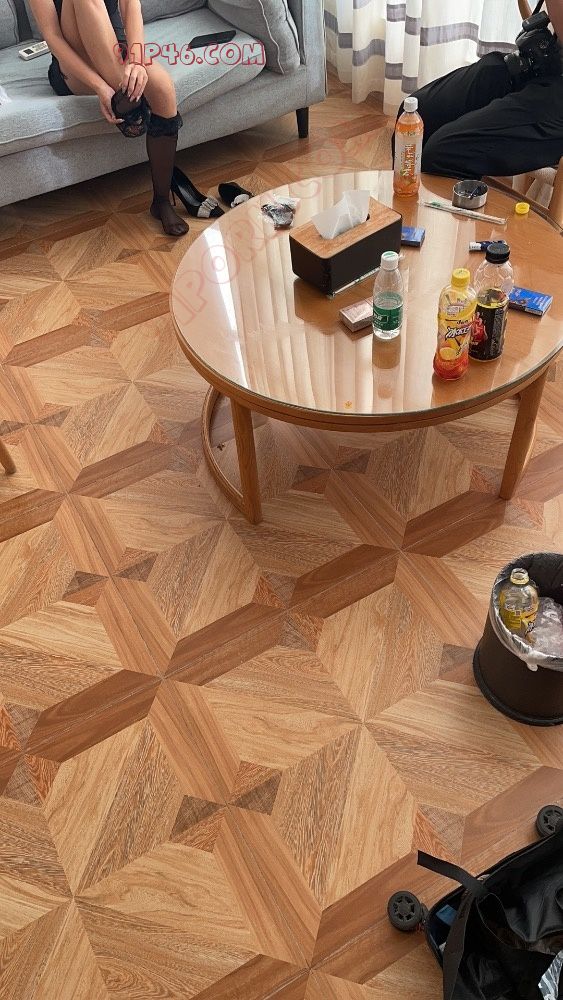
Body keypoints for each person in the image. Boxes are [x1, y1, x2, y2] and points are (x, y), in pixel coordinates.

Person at [31, 0, 189, 237]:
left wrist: (137, 62)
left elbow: (130, 7)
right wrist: (99, 87)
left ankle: (162, 201)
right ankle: (129, 95)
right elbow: (52, 37)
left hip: (115, 50)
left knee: (164, 90)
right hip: (75, 68)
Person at [395, 0, 563, 179]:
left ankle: (449, 196)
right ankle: (403, 193)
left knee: (443, 155)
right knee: (416, 114)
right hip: (542, 62)